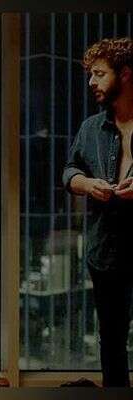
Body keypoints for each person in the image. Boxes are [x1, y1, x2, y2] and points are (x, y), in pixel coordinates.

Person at [62, 37, 133, 387]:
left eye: (100, 74)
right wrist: (88, 184)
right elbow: (69, 171)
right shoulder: (91, 128)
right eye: (91, 74)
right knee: (112, 342)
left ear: (126, 74)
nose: (92, 82)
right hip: (106, 252)